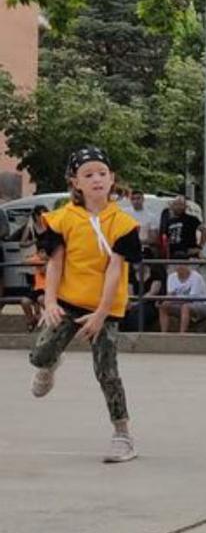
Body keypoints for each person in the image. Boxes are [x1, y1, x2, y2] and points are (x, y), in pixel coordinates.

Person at [28, 146, 143, 463]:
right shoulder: (64, 218)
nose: (96, 179)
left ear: (112, 179)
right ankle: (50, 365)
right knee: (39, 354)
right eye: (88, 174)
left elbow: (115, 271)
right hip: (68, 300)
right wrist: (49, 301)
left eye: (102, 173)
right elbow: (54, 263)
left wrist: (102, 314)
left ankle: (122, 434)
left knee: (106, 370)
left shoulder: (121, 223)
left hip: (104, 307)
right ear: (75, 182)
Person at [159, 263, 206, 333]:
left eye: (183, 264)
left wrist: (174, 300)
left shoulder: (196, 277)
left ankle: (182, 335)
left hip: (202, 304)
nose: (180, 267)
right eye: (178, 264)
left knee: (185, 307)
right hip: (180, 304)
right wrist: (164, 301)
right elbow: (170, 294)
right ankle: (163, 334)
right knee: (164, 306)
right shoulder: (171, 277)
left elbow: (191, 298)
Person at [123, 252, 165, 332]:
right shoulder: (131, 276)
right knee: (125, 309)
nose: (134, 264)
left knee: (139, 311)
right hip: (134, 303)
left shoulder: (155, 275)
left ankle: (137, 334)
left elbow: (152, 293)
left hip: (149, 304)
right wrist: (131, 303)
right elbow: (130, 293)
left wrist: (137, 303)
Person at [20, 249, 47, 331]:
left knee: (41, 299)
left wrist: (45, 263)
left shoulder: (54, 260)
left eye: (44, 252)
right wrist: (36, 260)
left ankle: (49, 321)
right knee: (24, 301)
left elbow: (44, 271)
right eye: (40, 252)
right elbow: (24, 262)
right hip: (37, 288)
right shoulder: (37, 258)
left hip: (49, 288)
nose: (42, 254)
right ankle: (31, 320)